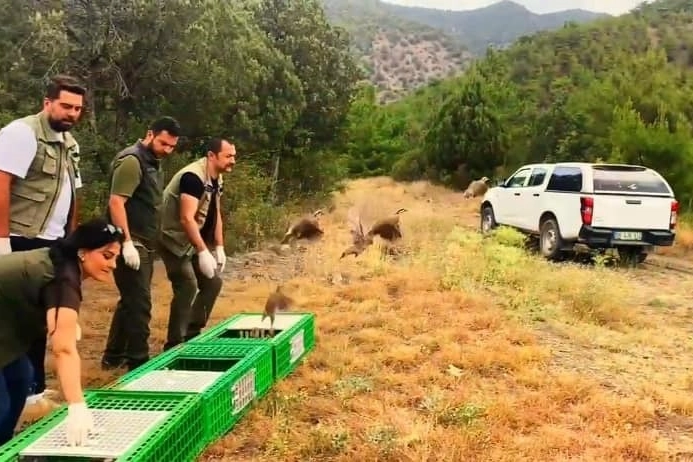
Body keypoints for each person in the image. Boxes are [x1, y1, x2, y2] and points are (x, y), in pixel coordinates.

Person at [0, 74, 86, 410]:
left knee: (40, 316)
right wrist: (2, 239)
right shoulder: (22, 133)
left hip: (52, 241)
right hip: (21, 237)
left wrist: (71, 240)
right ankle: (21, 387)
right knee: (19, 316)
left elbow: (72, 194)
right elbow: (3, 183)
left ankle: (33, 387)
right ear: (47, 102)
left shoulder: (69, 144)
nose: (72, 113)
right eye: (66, 105)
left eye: (78, 108)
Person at [0, 218, 123, 447]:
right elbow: (63, 349)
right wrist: (76, 405)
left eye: (116, 257)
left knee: (20, 377)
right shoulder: (61, 277)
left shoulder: (62, 263)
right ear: (83, 252)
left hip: (5, 334)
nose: (114, 264)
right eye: (107, 255)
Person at [101, 117, 181, 372]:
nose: (166, 150)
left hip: (145, 241)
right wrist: (126, 242)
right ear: (150, 134)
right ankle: (139, 362)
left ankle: (113, 357)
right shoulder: (132, 161)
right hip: (130, 241)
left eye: (171, 146)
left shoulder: (153, 163)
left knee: (130, 300)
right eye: (163, 143)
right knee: (140, 303)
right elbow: (116, 202)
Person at [158, 137, 235, 351]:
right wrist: (202, 251)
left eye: (234, 156)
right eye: (228, 156)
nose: (233, 160)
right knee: (187, 285)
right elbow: (186, 218)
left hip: (190, 239)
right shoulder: (192, 178)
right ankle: (174, 344)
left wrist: (219, 247)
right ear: (212, 155)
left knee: (213, 283)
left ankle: (191, 334)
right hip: (171, 238)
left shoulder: (216, 178)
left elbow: (216, 211)